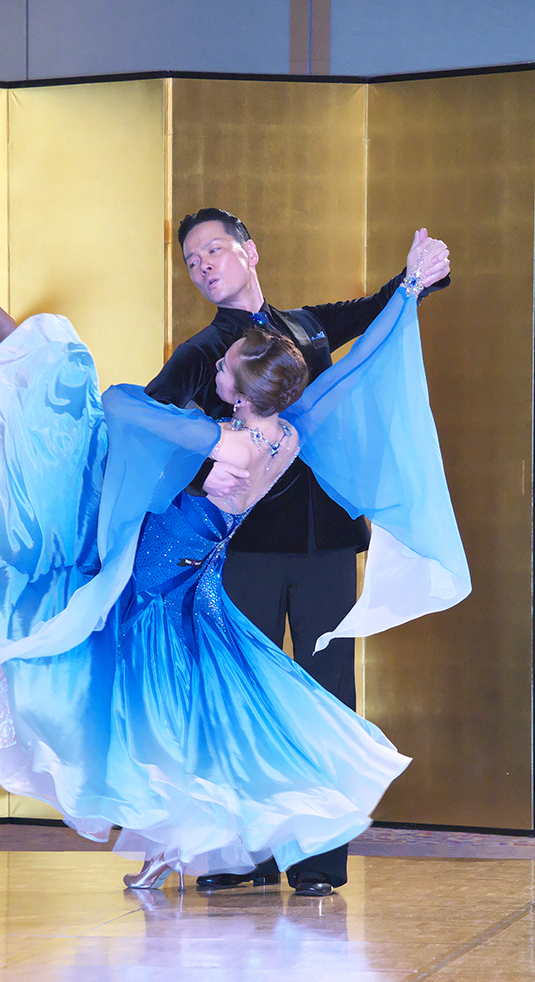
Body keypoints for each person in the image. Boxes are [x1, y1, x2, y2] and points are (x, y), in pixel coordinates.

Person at [0, 260, 460, 893]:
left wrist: (195, 433)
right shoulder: (286, 436)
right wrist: (405, 294)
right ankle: (174, 848)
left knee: (79, 411)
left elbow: (122, 403)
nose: (217, 366)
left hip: (154, 586)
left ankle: (1, 337)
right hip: (198, 586)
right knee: (192, 721)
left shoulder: (224, 440)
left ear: (241, 391)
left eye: (226, 366)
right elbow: (345, 378)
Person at [146, 209, 451, 894]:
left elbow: (376, 313)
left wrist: (416, 277)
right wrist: (205, 475)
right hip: (244, 551)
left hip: (326, 546)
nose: (203, 265)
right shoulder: (201, 353)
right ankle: (242, 855)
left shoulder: (307, 327)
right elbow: (155, 424)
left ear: (249, 251)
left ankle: (317, 860)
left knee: (327, 694)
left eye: (213, 249)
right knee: (241, 695)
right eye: (191, 260)